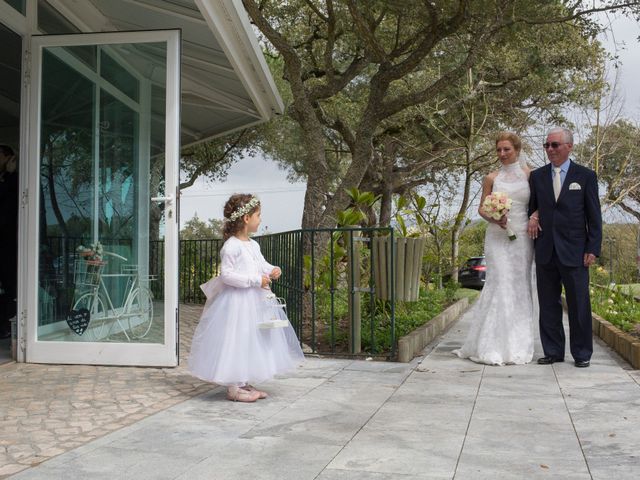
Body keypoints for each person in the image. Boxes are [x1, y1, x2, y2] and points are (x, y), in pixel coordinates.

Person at [188, 194, 304, 402]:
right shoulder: (231, 246)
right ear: (246, 219)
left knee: (252, 339)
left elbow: (261, 264)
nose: (260, 220)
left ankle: (242, 380)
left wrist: (273, 269)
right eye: (258, 215)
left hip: (255, 302)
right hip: (237, 303)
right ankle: (234, 386)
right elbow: (227, 275)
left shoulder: (253, 245)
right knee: (236, 339)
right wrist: (254, 280)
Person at [453, 132, 535, 365]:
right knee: (500, 282)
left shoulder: (530, 175)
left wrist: (535, 216)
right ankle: (492, 344)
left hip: (522, 237)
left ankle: (517, 343)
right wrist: (494, 217)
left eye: (506, 149)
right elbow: (481, 208)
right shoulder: (491, 177)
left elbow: (539, 203)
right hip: (497, 236)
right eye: (499, 150)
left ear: (517, 150)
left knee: (519, 285)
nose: (502, 154)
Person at [528, 127, 602, 368]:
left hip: (576, 251)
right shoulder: (537, 176)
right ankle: (553, 351)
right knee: (548, 303)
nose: (550, 150)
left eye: (555, 145)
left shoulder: (586, 176)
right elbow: (533, 208)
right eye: (547, 146)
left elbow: (594, 216)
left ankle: (582, 353)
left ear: (569, 146)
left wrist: (593, 247)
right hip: (546, 249)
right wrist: (534, 216)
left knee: (579, 304)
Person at [0, 145, 18, 339]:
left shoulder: (16, 179)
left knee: (10, 284)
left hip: (9, 241)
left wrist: (11, 175)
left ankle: (6, 326)